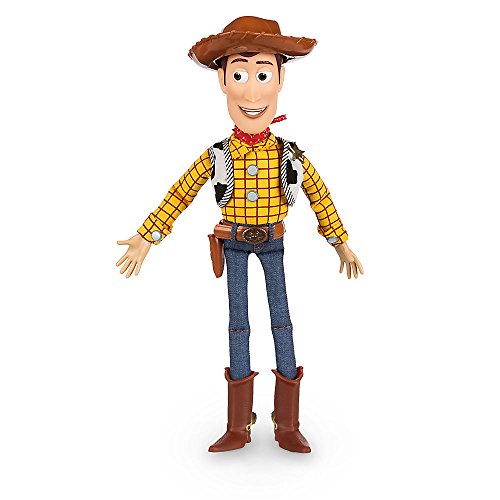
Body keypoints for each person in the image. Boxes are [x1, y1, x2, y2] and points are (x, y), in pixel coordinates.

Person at [116, 16, 364, 454]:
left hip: (273, 243)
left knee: (282, 322)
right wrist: (147, 235)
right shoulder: (218, 155)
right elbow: (180, 193)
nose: (251, 94)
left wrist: (339, 242)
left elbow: (320, 196)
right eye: (239, 75)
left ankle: (287, 422)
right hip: (233, 244)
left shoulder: (289, 155)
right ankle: (238, 423)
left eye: (263, 75)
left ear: (281, 79)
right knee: (238, 324)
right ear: (223, 82)